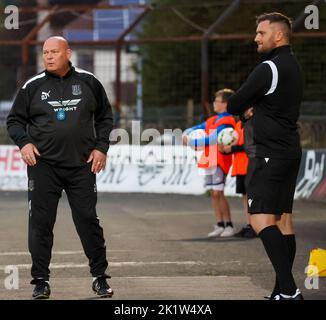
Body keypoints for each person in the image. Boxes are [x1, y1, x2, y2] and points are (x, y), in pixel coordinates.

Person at [7, 36, 114, 299]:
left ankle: (100, 277)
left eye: (54, 51)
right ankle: (40, 281)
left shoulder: (89, 82)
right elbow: (14, 121)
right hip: (43, 166)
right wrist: (24, 143)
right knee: (41, 224)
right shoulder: (32, 86)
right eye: (45, 53)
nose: (49, 57)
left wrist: (101, 147)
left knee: (88, 220)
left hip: (82, 166)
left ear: (68, 53)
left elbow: (105, 117)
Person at [227, 13, 304, 300]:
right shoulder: (293, 65)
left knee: (259, 219)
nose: (256, 38)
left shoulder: (268, 67)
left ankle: (290, 291)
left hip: (269, 153)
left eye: (261, 33)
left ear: (279, 35)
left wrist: (251, 105)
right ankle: (279, 292)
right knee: (283, 220)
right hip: (289, 151)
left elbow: (235, 103)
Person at [184, 89, 236, 238]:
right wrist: (186, 133)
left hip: (220, 159)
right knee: (213, 194)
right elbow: (196, 128)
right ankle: (220, 224)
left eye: (217, 101)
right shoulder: (213, 120)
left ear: (225, 104)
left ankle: (229, 224)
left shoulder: (228, 121)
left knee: (218, 192)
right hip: (210, 159)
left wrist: (192, 141)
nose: (214, 103)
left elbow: (214, 138)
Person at [219, 119, 257, 238]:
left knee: (252, 197)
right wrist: (225, 150)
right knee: (245, 197)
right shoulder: (238, 124)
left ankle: (257, 226)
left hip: (250, 165)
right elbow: (235, 144)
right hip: (239, 167)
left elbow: (250, 145)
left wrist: (232, 149)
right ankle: (249, 224)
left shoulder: (253, 123)